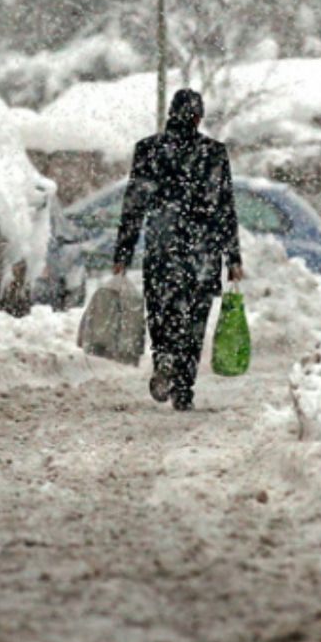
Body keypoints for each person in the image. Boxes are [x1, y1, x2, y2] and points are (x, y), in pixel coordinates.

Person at [113, 88, 243, 411]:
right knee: (194, 322)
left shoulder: (148, 150)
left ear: (170, 113)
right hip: (202, 252)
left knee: (161, 313)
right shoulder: (213, 154)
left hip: (162, 250)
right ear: (198, 117)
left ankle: (164, 358)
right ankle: (184, 387)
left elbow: (133, 207)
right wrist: (233, 257)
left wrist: (123, 254)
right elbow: (225, 208)